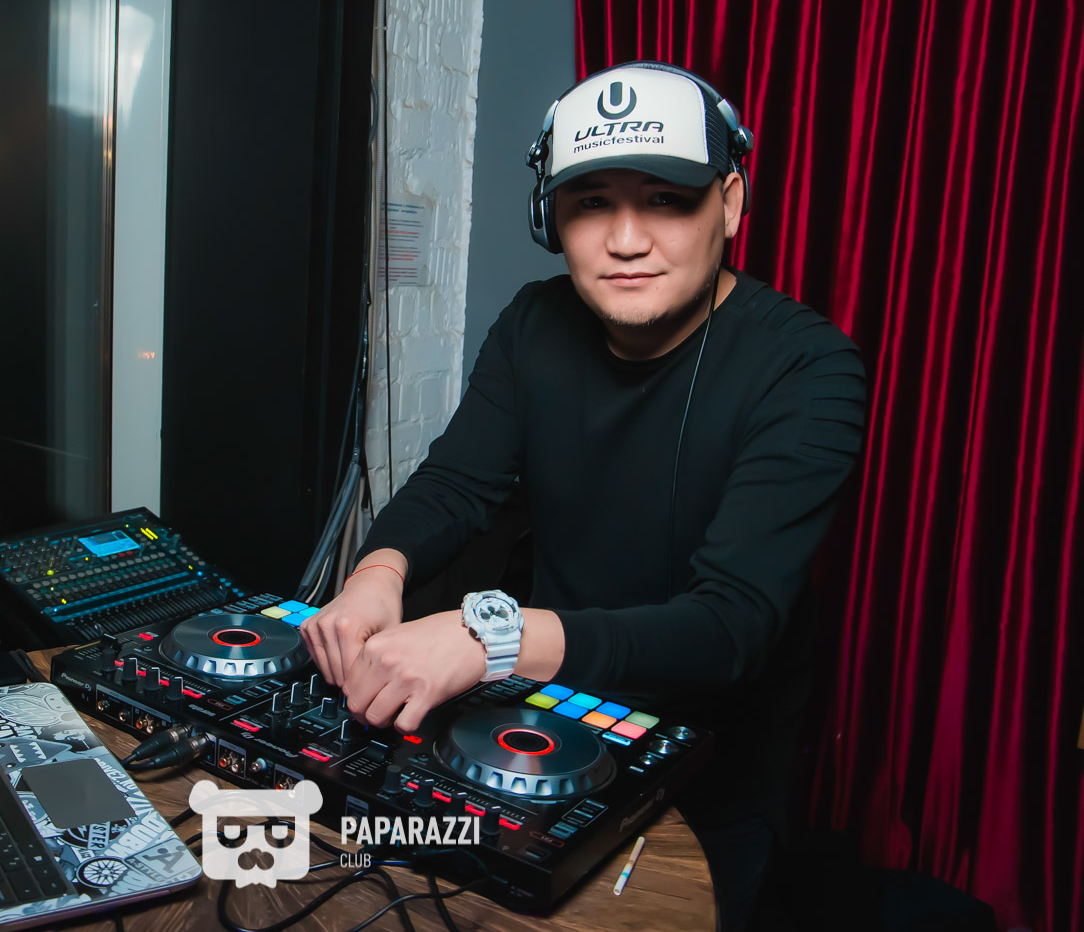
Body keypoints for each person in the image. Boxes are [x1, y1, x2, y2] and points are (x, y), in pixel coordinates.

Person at [298, 61, 867, 931]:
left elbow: (730, 627)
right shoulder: (534, 323)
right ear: (550, 218)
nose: (626, 240)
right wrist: (377, 574)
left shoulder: (810, 369)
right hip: (543, 730)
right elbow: (456, 481)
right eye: (593, 202)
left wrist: (489, 639)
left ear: (730, 205)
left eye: (667, 201)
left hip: (710, 786)